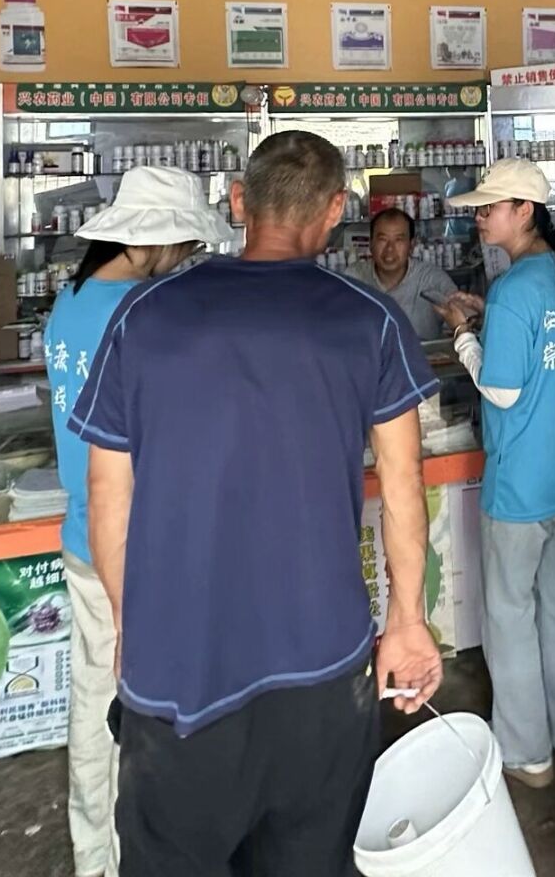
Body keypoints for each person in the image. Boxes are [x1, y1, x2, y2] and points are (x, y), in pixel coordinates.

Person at [67, 132, 445, 877]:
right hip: (322, 664)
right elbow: (404, 484)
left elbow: (109, 491)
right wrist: (407, 622)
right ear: (335, 210)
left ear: (238, 202)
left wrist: (128, 623)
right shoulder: (368, 319)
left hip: (177, 668)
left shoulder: (145, 315)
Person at [44, 165, 227, 877]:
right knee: (154, 710)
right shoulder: (142, 314)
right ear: (149, 241)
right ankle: (150, 851)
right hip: (141, 543)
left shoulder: (72, 300)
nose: (184, 259)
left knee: (95, 704)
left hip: (84, 534)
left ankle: (97, 854)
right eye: (181, 246)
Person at [435, 158, 555, 790]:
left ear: (524, 211)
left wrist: (464, 335)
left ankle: (527, 754)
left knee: (508, 614)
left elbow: (502, 390)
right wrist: (490, 320)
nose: (480, 217)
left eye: (490, 207)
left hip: (524, 483)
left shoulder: (514, 287)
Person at [348, 206, 456, 341]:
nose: (390, 249)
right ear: (371, 244)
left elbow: (462, 322)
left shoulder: (432, 279)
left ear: (411, 245)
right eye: (382, 239)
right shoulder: (353, 278)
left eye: (398, 240)